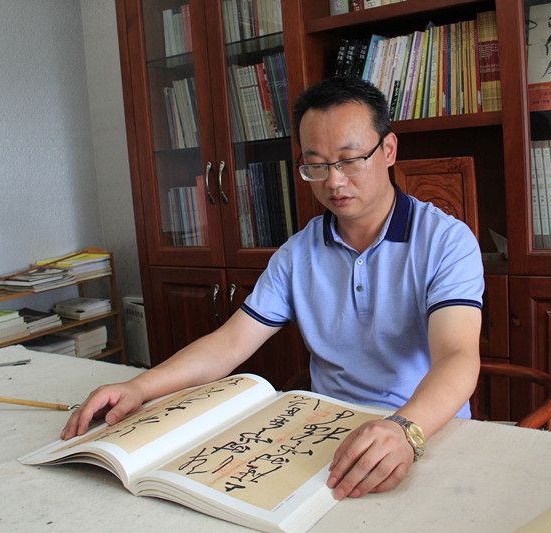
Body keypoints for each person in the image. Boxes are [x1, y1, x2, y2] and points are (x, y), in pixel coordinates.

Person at [61, 76, 484, 499]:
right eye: (316, 165)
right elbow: (228, 345)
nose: (334, 182)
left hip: (422, 428)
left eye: (349, 160)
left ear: (388, 150)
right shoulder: (297, 254)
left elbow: (457, 356)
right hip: (327, 434)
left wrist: (405, 429)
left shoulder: (445, 241)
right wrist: (138, 388)